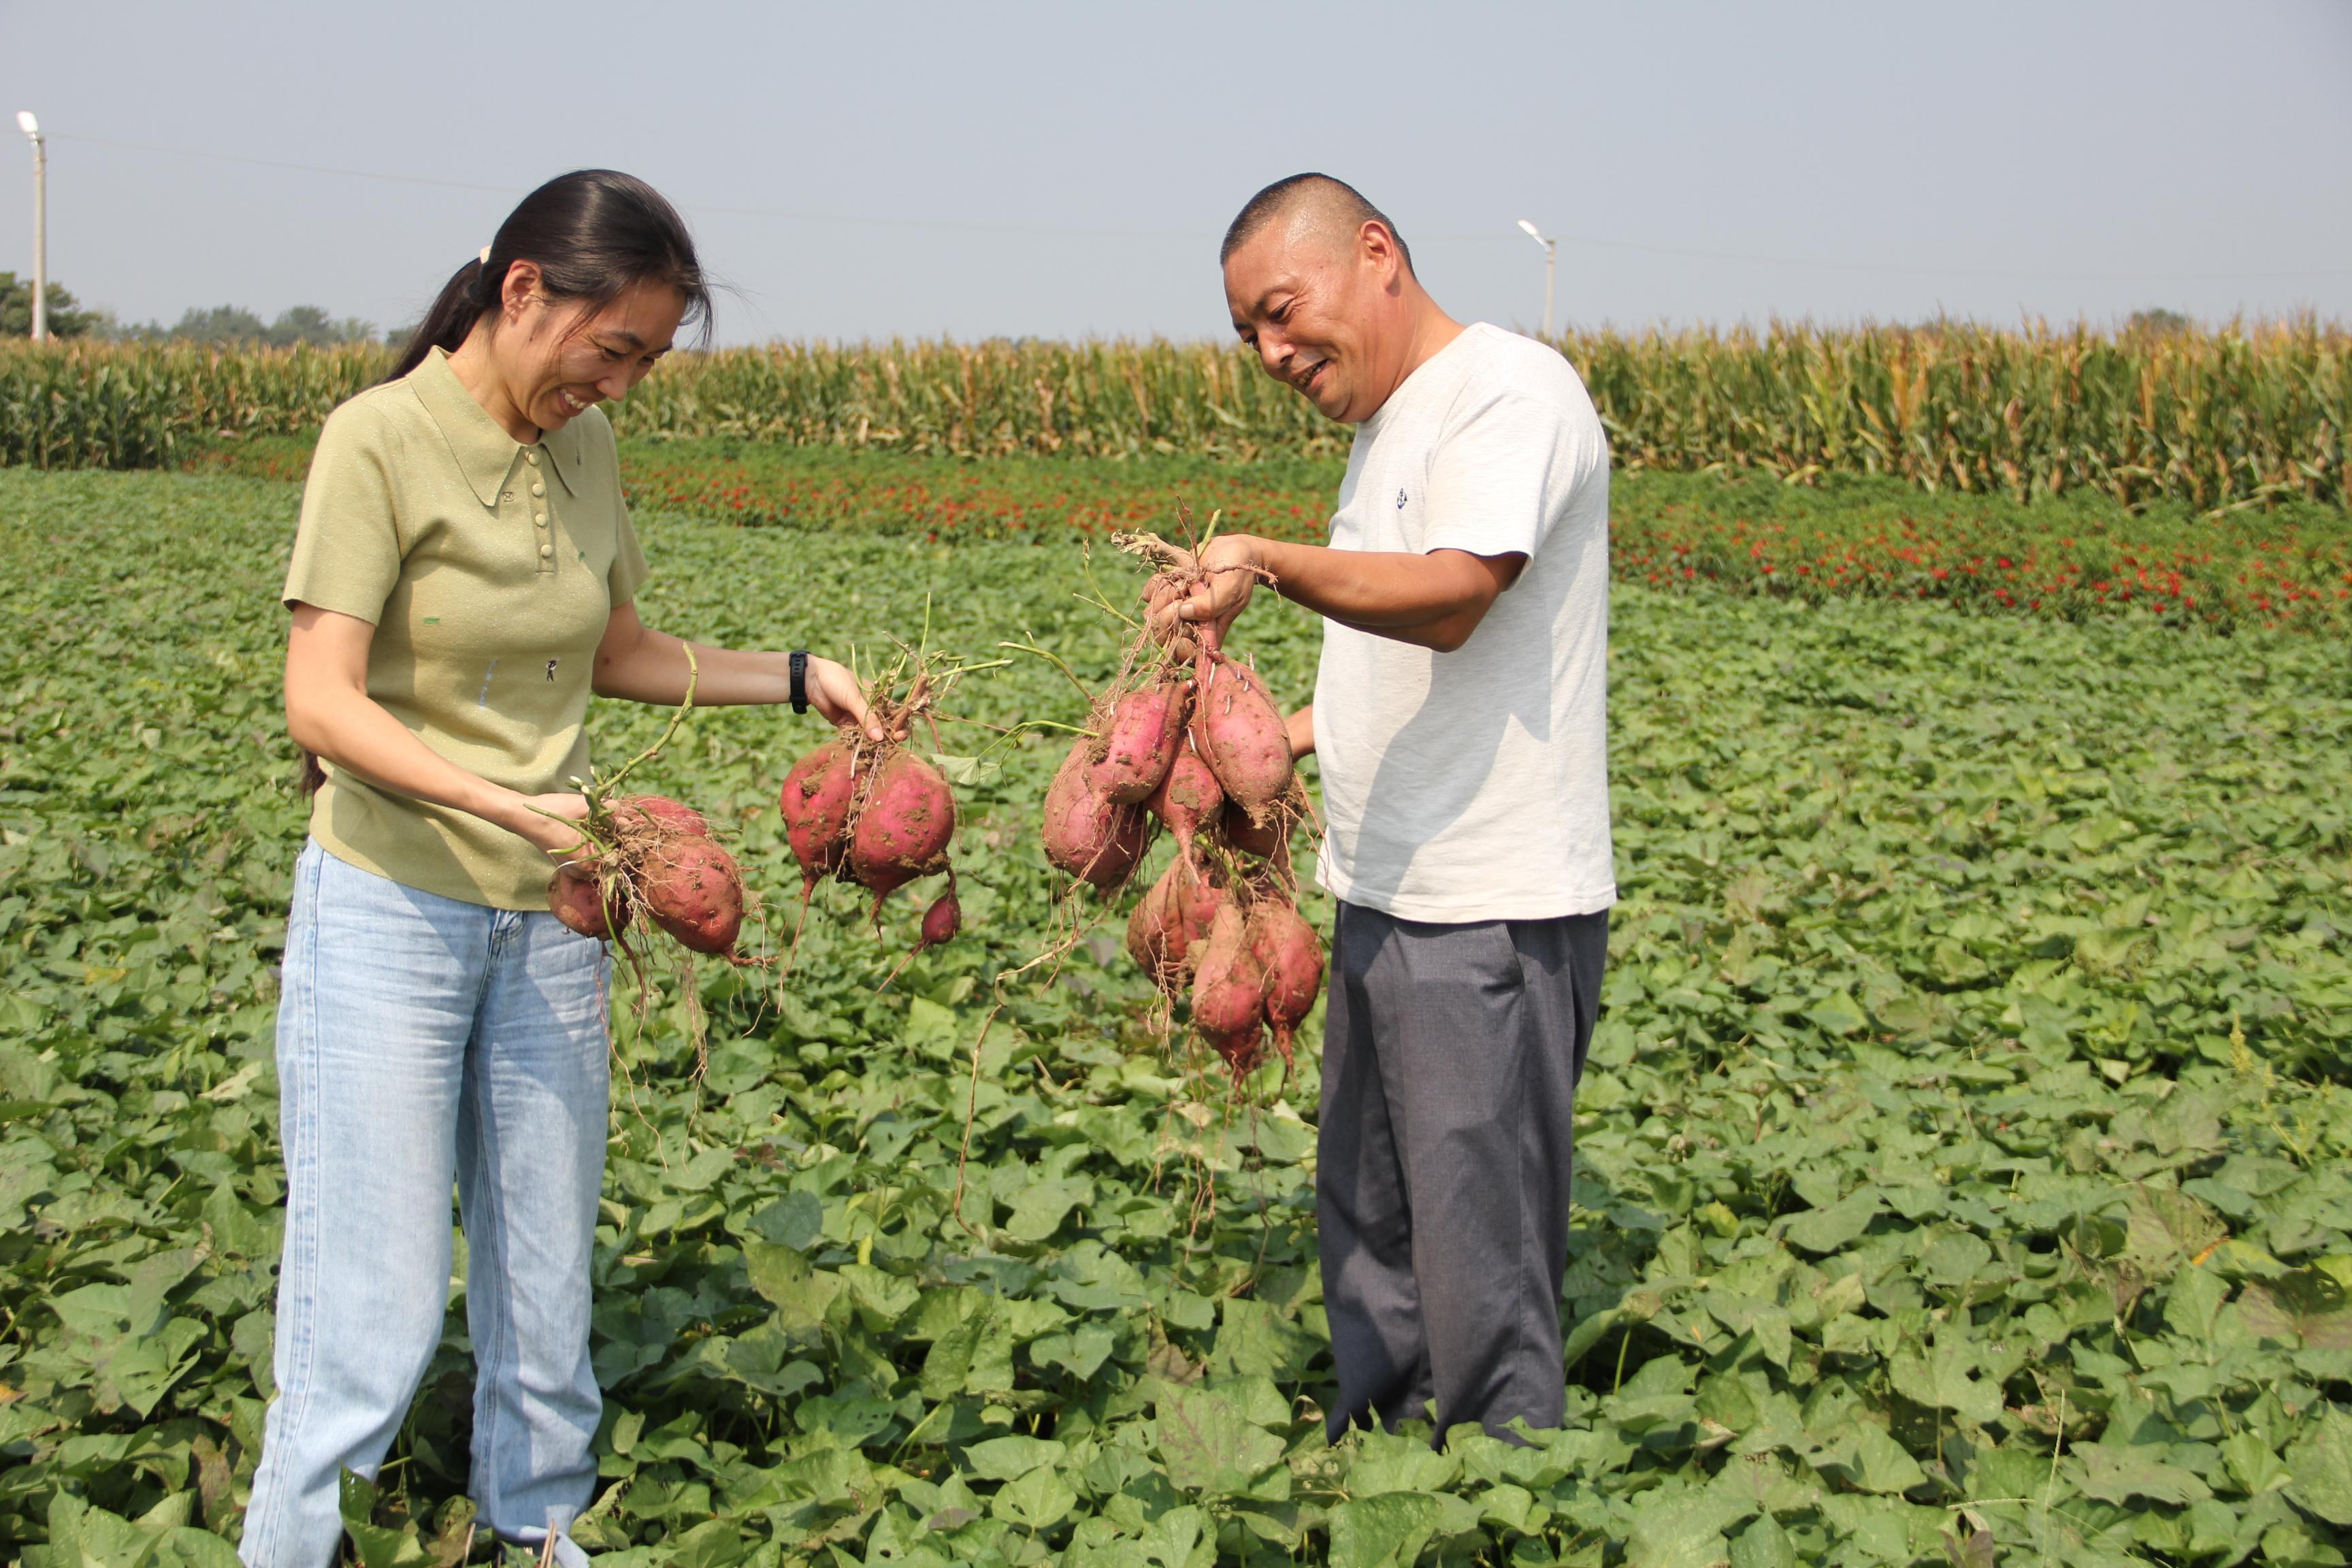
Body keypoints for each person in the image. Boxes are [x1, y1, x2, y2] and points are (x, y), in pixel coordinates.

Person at [241, 169, 875, 1568]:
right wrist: (517, 810)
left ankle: (538, 1527)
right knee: (377, 1290)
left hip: (555, 916)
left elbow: (616, 656)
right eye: (616, 349)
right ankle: (289, 1543)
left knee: (543, 1260)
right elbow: (322, 704)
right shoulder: (379, 440)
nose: (626, 383)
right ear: (524, 291)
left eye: (646, 358)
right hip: (394, 906)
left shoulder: (583, 450)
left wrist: (793, 675)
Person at [1156, 174, 1614, 1442]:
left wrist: (1267, 558)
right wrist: (1251, 753)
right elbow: (1390, 666)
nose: (1271, 352)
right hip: (1382, 889)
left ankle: (1504, 1488)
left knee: (1480, 1249)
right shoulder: (1388, 431)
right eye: (1249, 332)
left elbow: (1456, 594)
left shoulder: (1511, 391)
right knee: (1371, 1218)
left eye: (1284, 311)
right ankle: (1388, 1468)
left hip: (1491, 904)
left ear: (1377, 252)